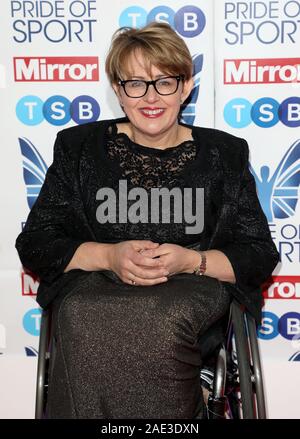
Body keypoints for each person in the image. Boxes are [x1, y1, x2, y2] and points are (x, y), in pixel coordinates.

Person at [16, 22, 279, 419]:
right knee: (84, 314)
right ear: (118, 90)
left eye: (164, 82)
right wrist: (108, 256)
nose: (150, 97)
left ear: (186, 85)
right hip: (94, 292)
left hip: (191, 293)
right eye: (135, 83)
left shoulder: (223, 154)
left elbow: (258, 253)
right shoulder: (79, 148)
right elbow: (36, 242)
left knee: (158, 317)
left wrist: (192, 261)